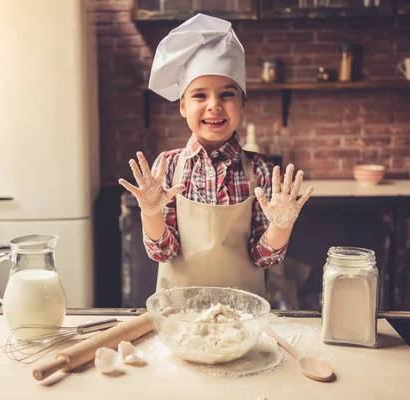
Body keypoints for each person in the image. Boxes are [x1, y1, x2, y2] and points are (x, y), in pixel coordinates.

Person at [118, 14, 314, 297]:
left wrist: (281, 227)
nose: (214, 106)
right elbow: (164, 252)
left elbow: (262, 258)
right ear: (182, 106)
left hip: (243, 311)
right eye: (199, 96)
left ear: (243, 102)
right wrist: (150, 213)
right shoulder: (167, 167)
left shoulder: (260, 170)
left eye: (227, 94)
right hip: (179, 310)